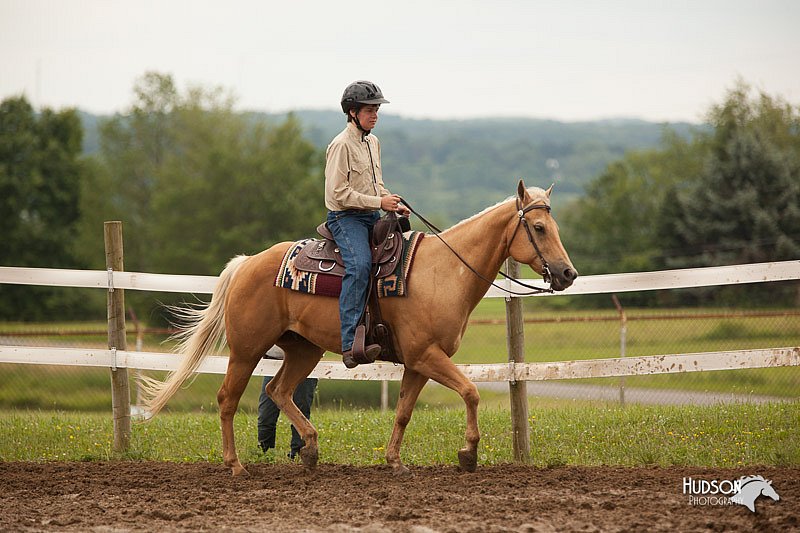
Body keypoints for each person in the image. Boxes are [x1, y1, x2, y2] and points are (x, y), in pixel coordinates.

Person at [325, 80, 409, 369]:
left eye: (376, 110)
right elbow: (338, 193)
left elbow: (377, 184)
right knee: (360, 265)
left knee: (405, 253)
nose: (375, 115)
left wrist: (392, 202)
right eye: (369, 110)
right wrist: (379, 204)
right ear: (352, 113)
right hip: (345, 218)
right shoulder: (340, 145)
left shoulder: (373, 142)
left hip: (371, 213)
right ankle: (349, 342)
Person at [257, 348, 318, 459]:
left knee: (301, 410)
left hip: (304, 361)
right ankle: (264, 452)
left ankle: (298, 452)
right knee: (266, 413)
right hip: (273, 363)